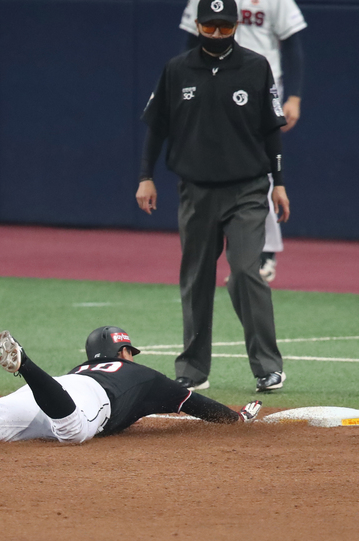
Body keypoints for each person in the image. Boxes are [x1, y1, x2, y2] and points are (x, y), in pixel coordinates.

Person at [136, 0, 288, 393]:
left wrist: (280, 182)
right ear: (199, 26)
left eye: (224, 27)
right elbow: (156, 128)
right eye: (210, 27)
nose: (217, 34)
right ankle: (192, 369)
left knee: (245, 271)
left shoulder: (256, 66)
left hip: (248, 190)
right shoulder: (177, 69)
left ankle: (267, 367)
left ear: (236, 25)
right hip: (196, 191)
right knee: (196, 278)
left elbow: (271, 128)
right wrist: (145, 177)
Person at [0, 327, 263, 448]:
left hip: (54, 388)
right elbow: (196, 403)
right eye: (128, 349)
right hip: (84, 399)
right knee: (74, 432)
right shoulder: (144, 375)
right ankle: (24, 362)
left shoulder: (80, 366)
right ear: (122, 349)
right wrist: (236, 419)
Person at [180, 0, 306, 283]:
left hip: (261, 88)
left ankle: (265, 252)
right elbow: (190, 41)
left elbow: (293, 44)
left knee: (259, 166)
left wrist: (294, 96)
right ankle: (231, 252)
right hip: (214, 86)